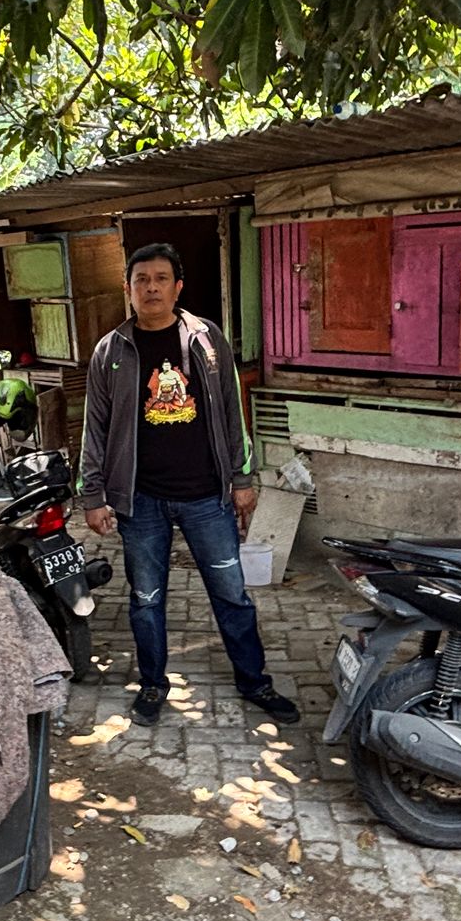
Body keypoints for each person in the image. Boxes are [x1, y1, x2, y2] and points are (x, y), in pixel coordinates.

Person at [79, 243, 299, 728]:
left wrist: (242, 478)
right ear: (128, 288)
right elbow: (94, 428)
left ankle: (254, 681)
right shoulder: (111, 350)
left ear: (177, 287)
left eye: (161, 279)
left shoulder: (206, 339)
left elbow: (233, 411)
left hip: (206, 497)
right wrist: (92, 495)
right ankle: (153, 684)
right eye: (141, 280)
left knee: (232, 594)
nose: (151, 288)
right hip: (141, 500)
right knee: (146, 599)